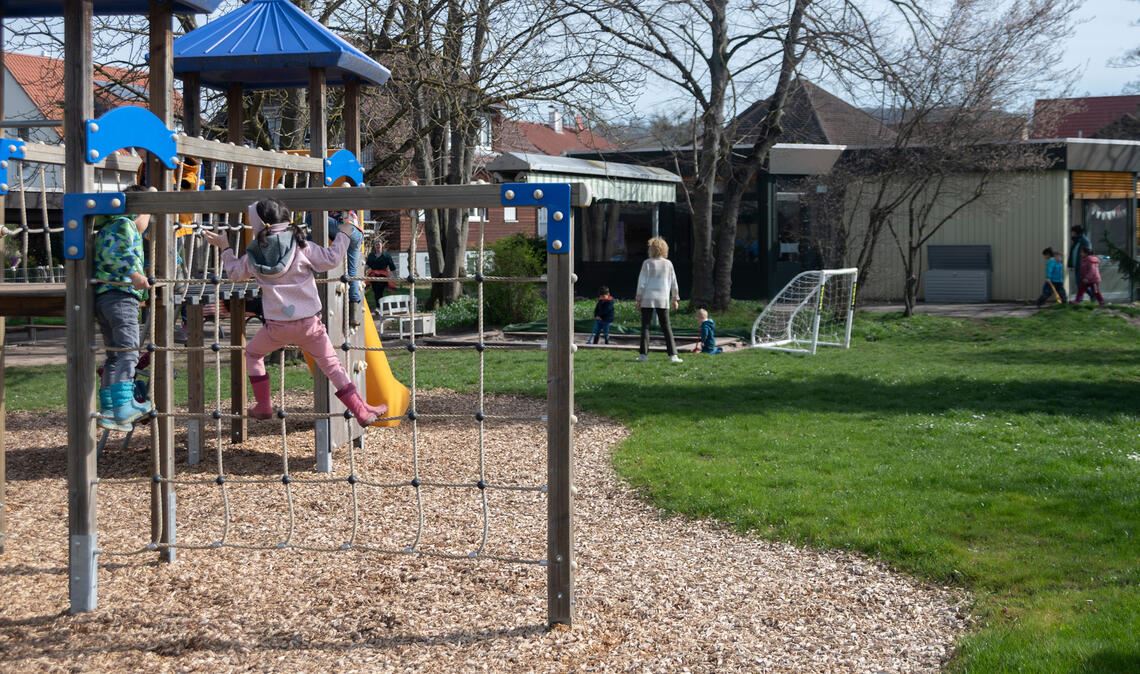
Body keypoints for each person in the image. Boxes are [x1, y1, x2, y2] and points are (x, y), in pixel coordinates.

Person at [203, 199, 386, 427]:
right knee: (333, 367)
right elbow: (331, 258)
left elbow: (234, 273)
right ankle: (360, 411)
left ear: (260, 224)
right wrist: (345, 232)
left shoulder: (254, 254)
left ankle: (263, 404)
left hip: (276, 328)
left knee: (252, 354)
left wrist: (225, 247)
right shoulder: (301, 246)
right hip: (309, 326)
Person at [94, 184, 154, 431]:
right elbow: (119, 255)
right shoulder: (125, 225)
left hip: (105, 298)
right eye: (147, 216)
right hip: (121, 297)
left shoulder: (107, 225)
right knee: (129, 352)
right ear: (137, 212)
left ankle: (109, 410)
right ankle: (123, 407)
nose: (146, 223)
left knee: (114, 356)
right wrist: (135, 276)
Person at [635, 236, 682, 363]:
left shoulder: (647, 263)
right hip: (663, 298)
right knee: (666, 327)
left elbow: (642, 282)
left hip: (647, 298)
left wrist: (638, 299)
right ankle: (673, 355)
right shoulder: (668, 264)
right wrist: (675, 298)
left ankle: (643, 355)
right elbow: (674, 282)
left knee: (645, 326)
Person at [365, 236, 397, 313]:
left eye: (379, 244)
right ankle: (378, 307)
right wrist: (362, 273)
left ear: (382, 245)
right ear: (374, 246)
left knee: (380, 289)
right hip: (373, 276)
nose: (378, 245)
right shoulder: (371, 256)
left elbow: (392, 266)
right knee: (376, 290)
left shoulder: (386, 255)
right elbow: (367, 265)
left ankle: (381, 307)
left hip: (383, 275)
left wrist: (395, 277)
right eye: (376, 244)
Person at [1069, 225, 1092, 291]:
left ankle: (1093, 295)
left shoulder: (1084, 241)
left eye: (1073, 232)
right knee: (1079, 283)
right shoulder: (1077, 241)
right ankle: (1081, 298)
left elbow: (1088, 252)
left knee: (1081, 283)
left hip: (1082, 266)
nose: (1072, 233)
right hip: (1077, 265)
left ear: (1076, 232)